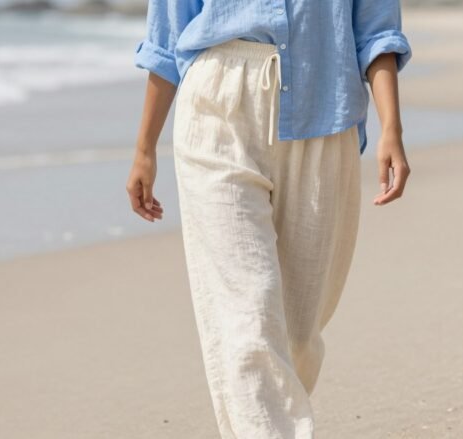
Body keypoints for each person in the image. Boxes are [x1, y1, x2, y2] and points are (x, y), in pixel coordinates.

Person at [127, 0, 412, 437]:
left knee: (297, 335)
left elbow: (376, 32)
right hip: (218, 112)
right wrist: (145, 149)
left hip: (325, 114)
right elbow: (167, 35)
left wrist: (392, 127)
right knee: (250, 319)